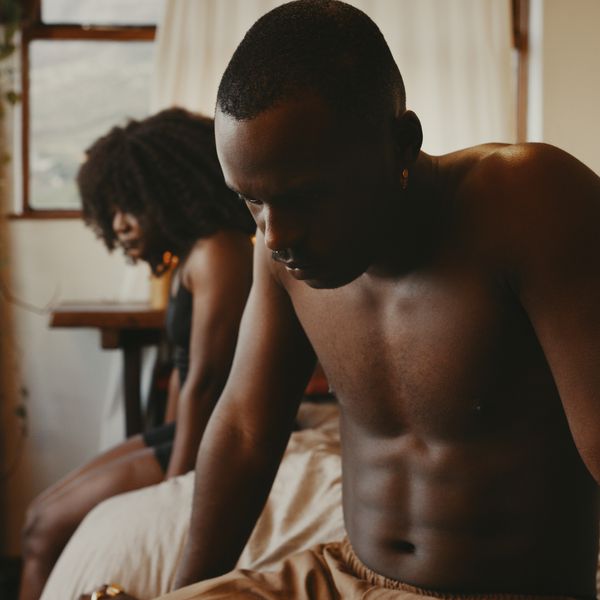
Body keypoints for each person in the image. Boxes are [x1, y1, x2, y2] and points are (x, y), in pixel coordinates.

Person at [92, 1, 600, 598]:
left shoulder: (530, 200)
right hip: (342, 574)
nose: (277, 237)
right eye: (250, 201)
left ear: (401, 144)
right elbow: (247, 431)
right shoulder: (278, 248)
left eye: (306, 195)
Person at [19, 108, 255, 600]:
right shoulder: (193, 253)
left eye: (131, 207)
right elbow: (187, 376)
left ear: (166, 193)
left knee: (43, 530)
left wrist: (173, 488)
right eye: (112, 213)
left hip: (214, 432)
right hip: (189, 429)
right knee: (38, 518)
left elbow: (207, 380)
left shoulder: (218, 250)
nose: (121, 226)